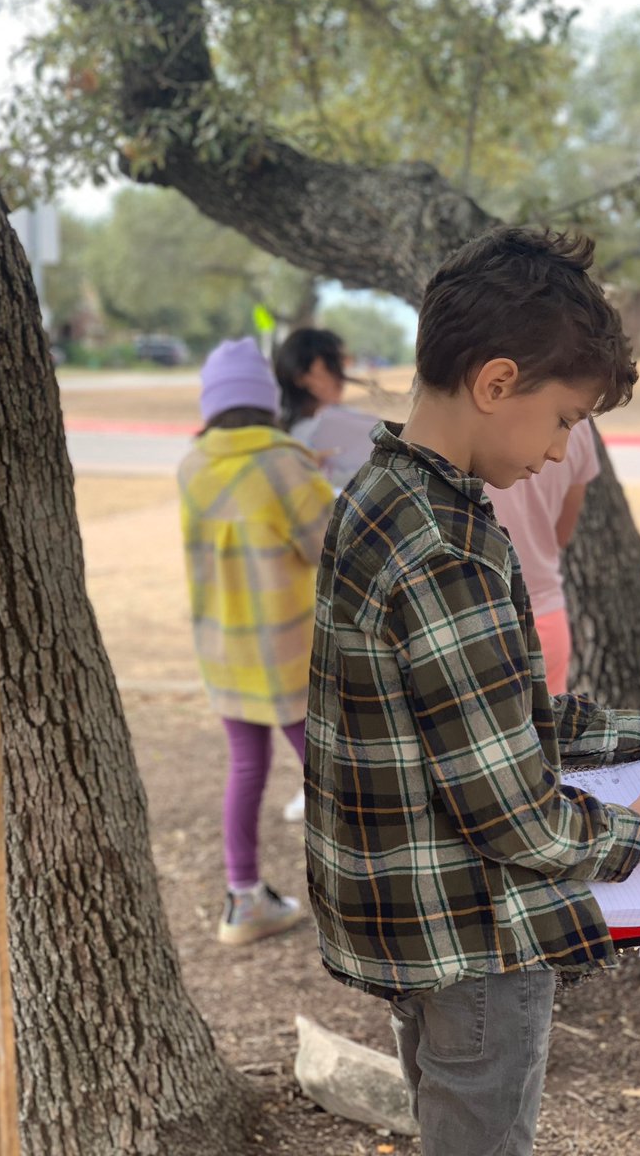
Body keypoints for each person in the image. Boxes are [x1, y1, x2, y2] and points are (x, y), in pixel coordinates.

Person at [303, 226, 640, 1156]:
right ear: (497, 384)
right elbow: (522, 820)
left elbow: (497, 715)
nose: (560, 452)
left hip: (415, 925)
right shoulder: (450, 550)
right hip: (477, 942)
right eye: (565, 420)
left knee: (447, 1118)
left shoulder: (382, 498)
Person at [178, 337, 334, 945]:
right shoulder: (284, 462)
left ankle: (243, 897)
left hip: (223, 653)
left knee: (246, 767)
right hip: (290, 654)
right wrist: (315, 484)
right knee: (329, 776)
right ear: (267, 403)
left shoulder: (191, 464)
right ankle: (359, 895)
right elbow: (327, 546)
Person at [274, 326, 380, 821]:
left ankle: (320, 781)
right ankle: (318, 781)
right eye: (331, 364)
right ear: (307, 374)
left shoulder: (301, 430)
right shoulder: (299, 439)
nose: (341, 372)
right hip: (320, 579)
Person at [487, 420, 600, 694]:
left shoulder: (479, 417)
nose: (556, 453)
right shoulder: (579, 424)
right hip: (545, 612)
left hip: (480, 613)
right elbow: (562, 533)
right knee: (547, 730)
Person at [275, 327, 378, 490]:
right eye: (331, 365)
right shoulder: (317, 429)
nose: (341, 376)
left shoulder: (278, 437)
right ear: (302, 377)